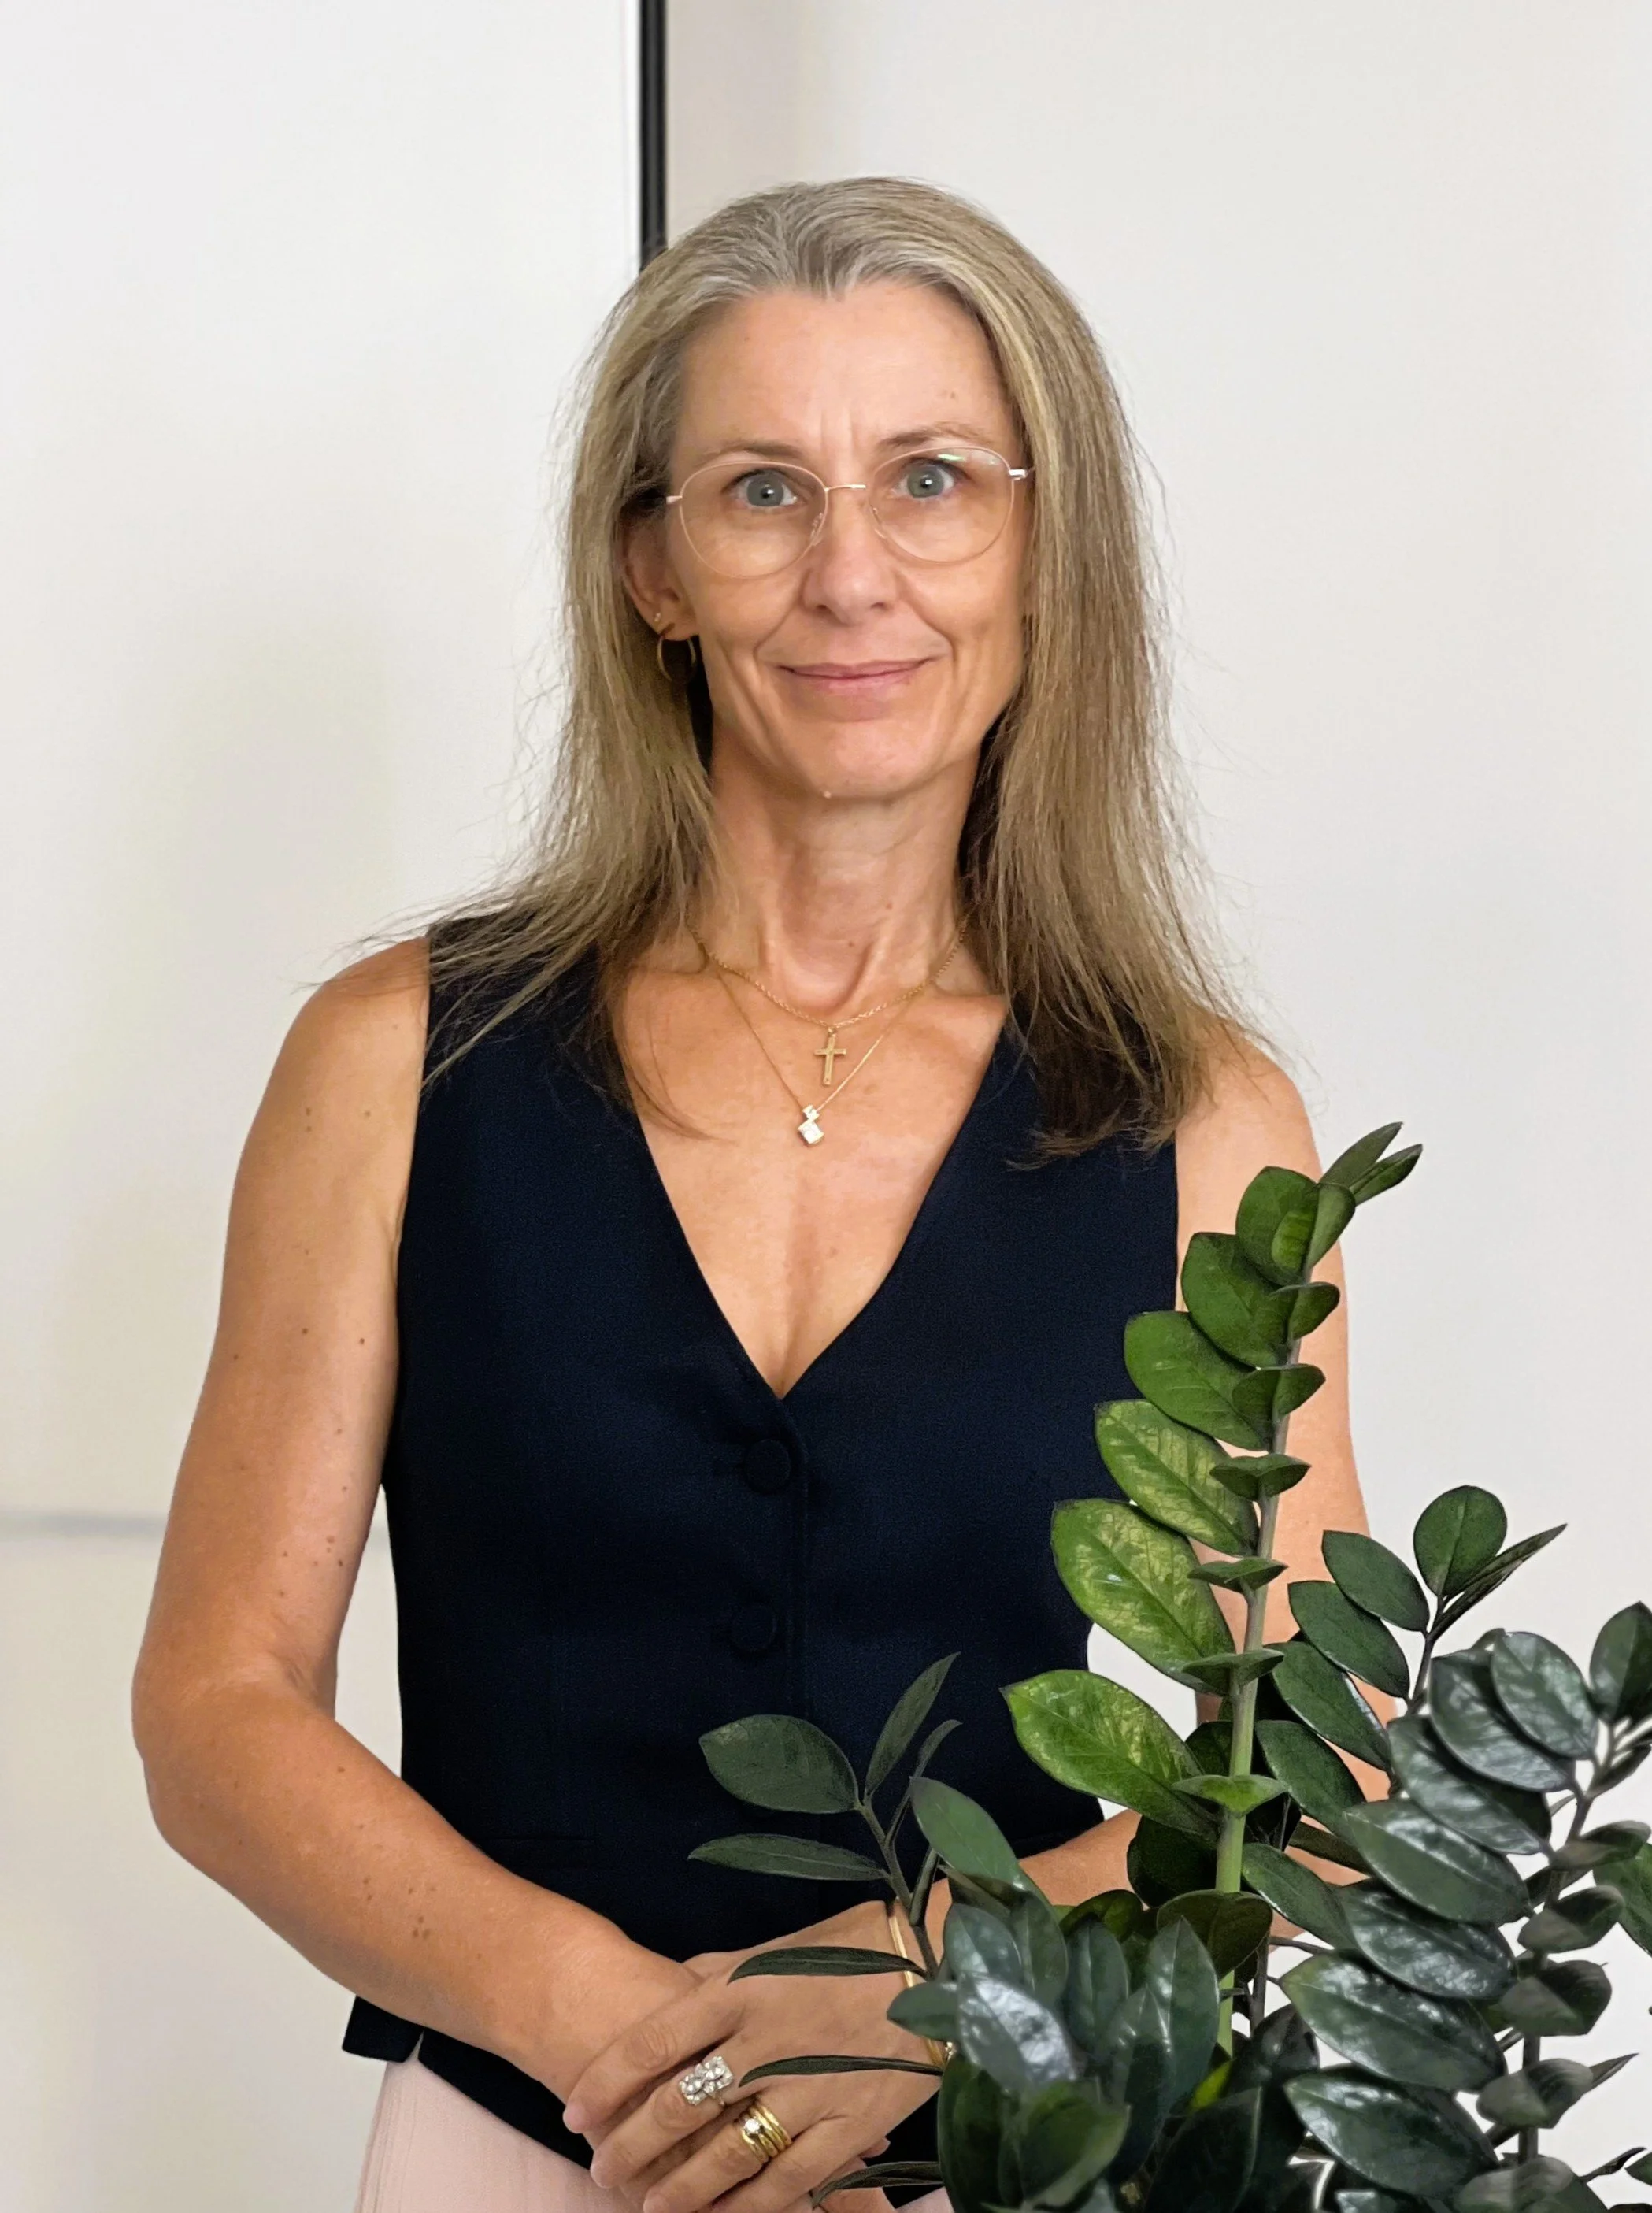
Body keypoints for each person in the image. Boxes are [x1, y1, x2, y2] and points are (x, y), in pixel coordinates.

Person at [133, 177, 1374, 2213]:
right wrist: (603, 2029)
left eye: (933, 481)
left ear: (1044, 548)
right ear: (654, 566)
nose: (851, 573)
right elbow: (215, 1708)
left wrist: (928, 1989)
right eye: (765, 492)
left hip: (1007, 2150)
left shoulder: (1200, 1116)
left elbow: (1325, 1762)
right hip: (517, 2144)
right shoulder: (394, 1062)